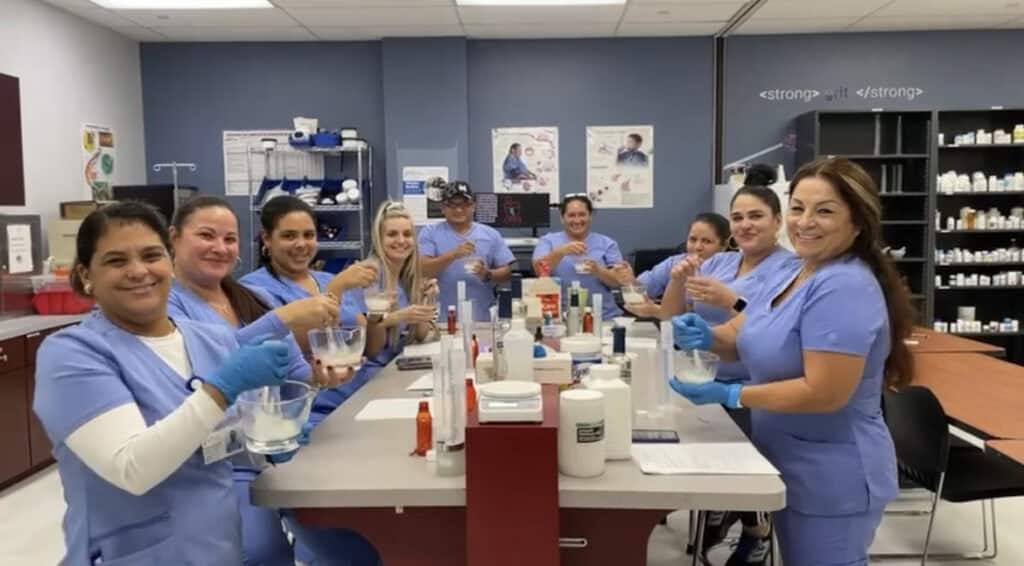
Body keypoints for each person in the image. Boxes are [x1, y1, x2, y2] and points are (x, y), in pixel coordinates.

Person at [671, 157, 914, 565]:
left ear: (858, 222)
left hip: (833, 474)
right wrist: (708, 336)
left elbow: (824, 393)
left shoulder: (844, 286)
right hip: (790, 460)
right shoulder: (797, 272)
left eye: (825, 211)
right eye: (799, 208)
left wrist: (733, 393)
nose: (805, 222)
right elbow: (747, 332)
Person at [33, 202, 293, 565]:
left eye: (151, 255)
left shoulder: (212, 339)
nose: (138, 271)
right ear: (86, 275)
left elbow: (217, 445)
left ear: (170, 261)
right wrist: (220, 390)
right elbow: (132, 469)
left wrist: (272, 440)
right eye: (116, 261)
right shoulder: (72, 355)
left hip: (218, 547)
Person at [168, 195, 361, 565]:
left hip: (275, 448)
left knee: (344, 542)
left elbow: (293, 373)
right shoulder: (169, 306)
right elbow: (197, 368)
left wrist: (321, 379)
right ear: (174, 237)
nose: (219, 248)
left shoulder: (246, 297)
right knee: (260, 552)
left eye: (228, 239)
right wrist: (282, 318)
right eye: (206, 236)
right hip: (217, 461)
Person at [662, 185, 798, 565]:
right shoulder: (721, 262)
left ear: (777, 221)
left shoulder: (790, 268)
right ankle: (727, 518)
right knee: (712, 467)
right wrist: (677, 278)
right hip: (704, 380)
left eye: (756, 216)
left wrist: (731, 301)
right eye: (737, 217)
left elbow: (778, 321)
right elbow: (670, 315)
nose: (745, 224)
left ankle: (756, 535)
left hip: (751, 387)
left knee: (745, 475)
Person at [239, 196, 378, 351]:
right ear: (267, 239)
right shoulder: (254, 288)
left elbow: (369, 349)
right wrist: (335, 289)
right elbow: (293, 350)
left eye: (308, 235)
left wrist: (377, 310)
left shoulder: (327, 278)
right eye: (289, 236)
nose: (301, 244)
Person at [418, 181, 516, 321]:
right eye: (452, 205)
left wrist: (487, 274)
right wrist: (453, 255)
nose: (458, 210)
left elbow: (508, 272)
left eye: (464, 204)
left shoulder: (490, 235)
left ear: (473, 206)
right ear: (443, 208)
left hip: (482, 318)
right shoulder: (429, 233)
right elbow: (423, 269)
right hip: (441, 319)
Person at [532, 194, 631, 319]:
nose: (577, 220)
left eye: (582, 214)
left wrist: (598, 270)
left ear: (590, 217)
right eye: (571, 215)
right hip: (559, 317)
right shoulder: (548, 241)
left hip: (604, 316)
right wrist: (560, 252)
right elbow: (538, 270)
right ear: (562, 218)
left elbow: (619, 281)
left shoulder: (607, 243)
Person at [626, 212, 729, 318]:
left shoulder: (731, 269)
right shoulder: (676, 262)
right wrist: (628, 280)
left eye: (706, 241)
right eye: (693, 239)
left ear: (724, 245)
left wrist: (656, 310)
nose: (697, 247)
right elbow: (640, 289)